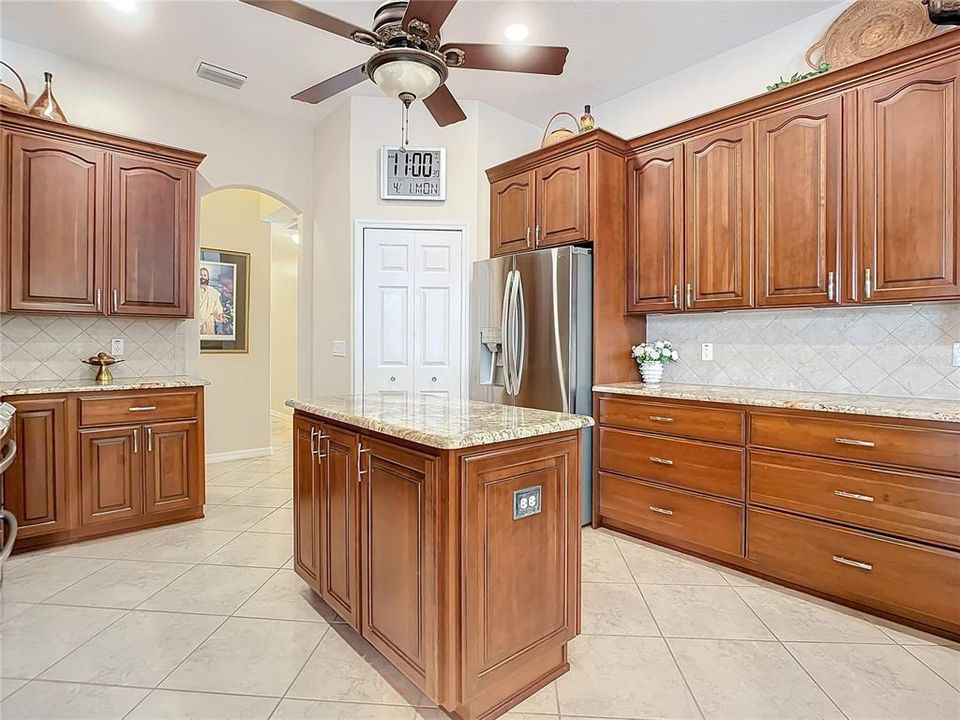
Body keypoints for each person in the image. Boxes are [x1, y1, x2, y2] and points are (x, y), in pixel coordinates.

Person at [198, 266, 225, 336]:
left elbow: (217, 306)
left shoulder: (212, 291)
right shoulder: (193, 289)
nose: (202, 277)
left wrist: (220, 314)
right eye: (200, 275)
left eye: (204, 275)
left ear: (207, 277)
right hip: (196, 323)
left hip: (208, 323)